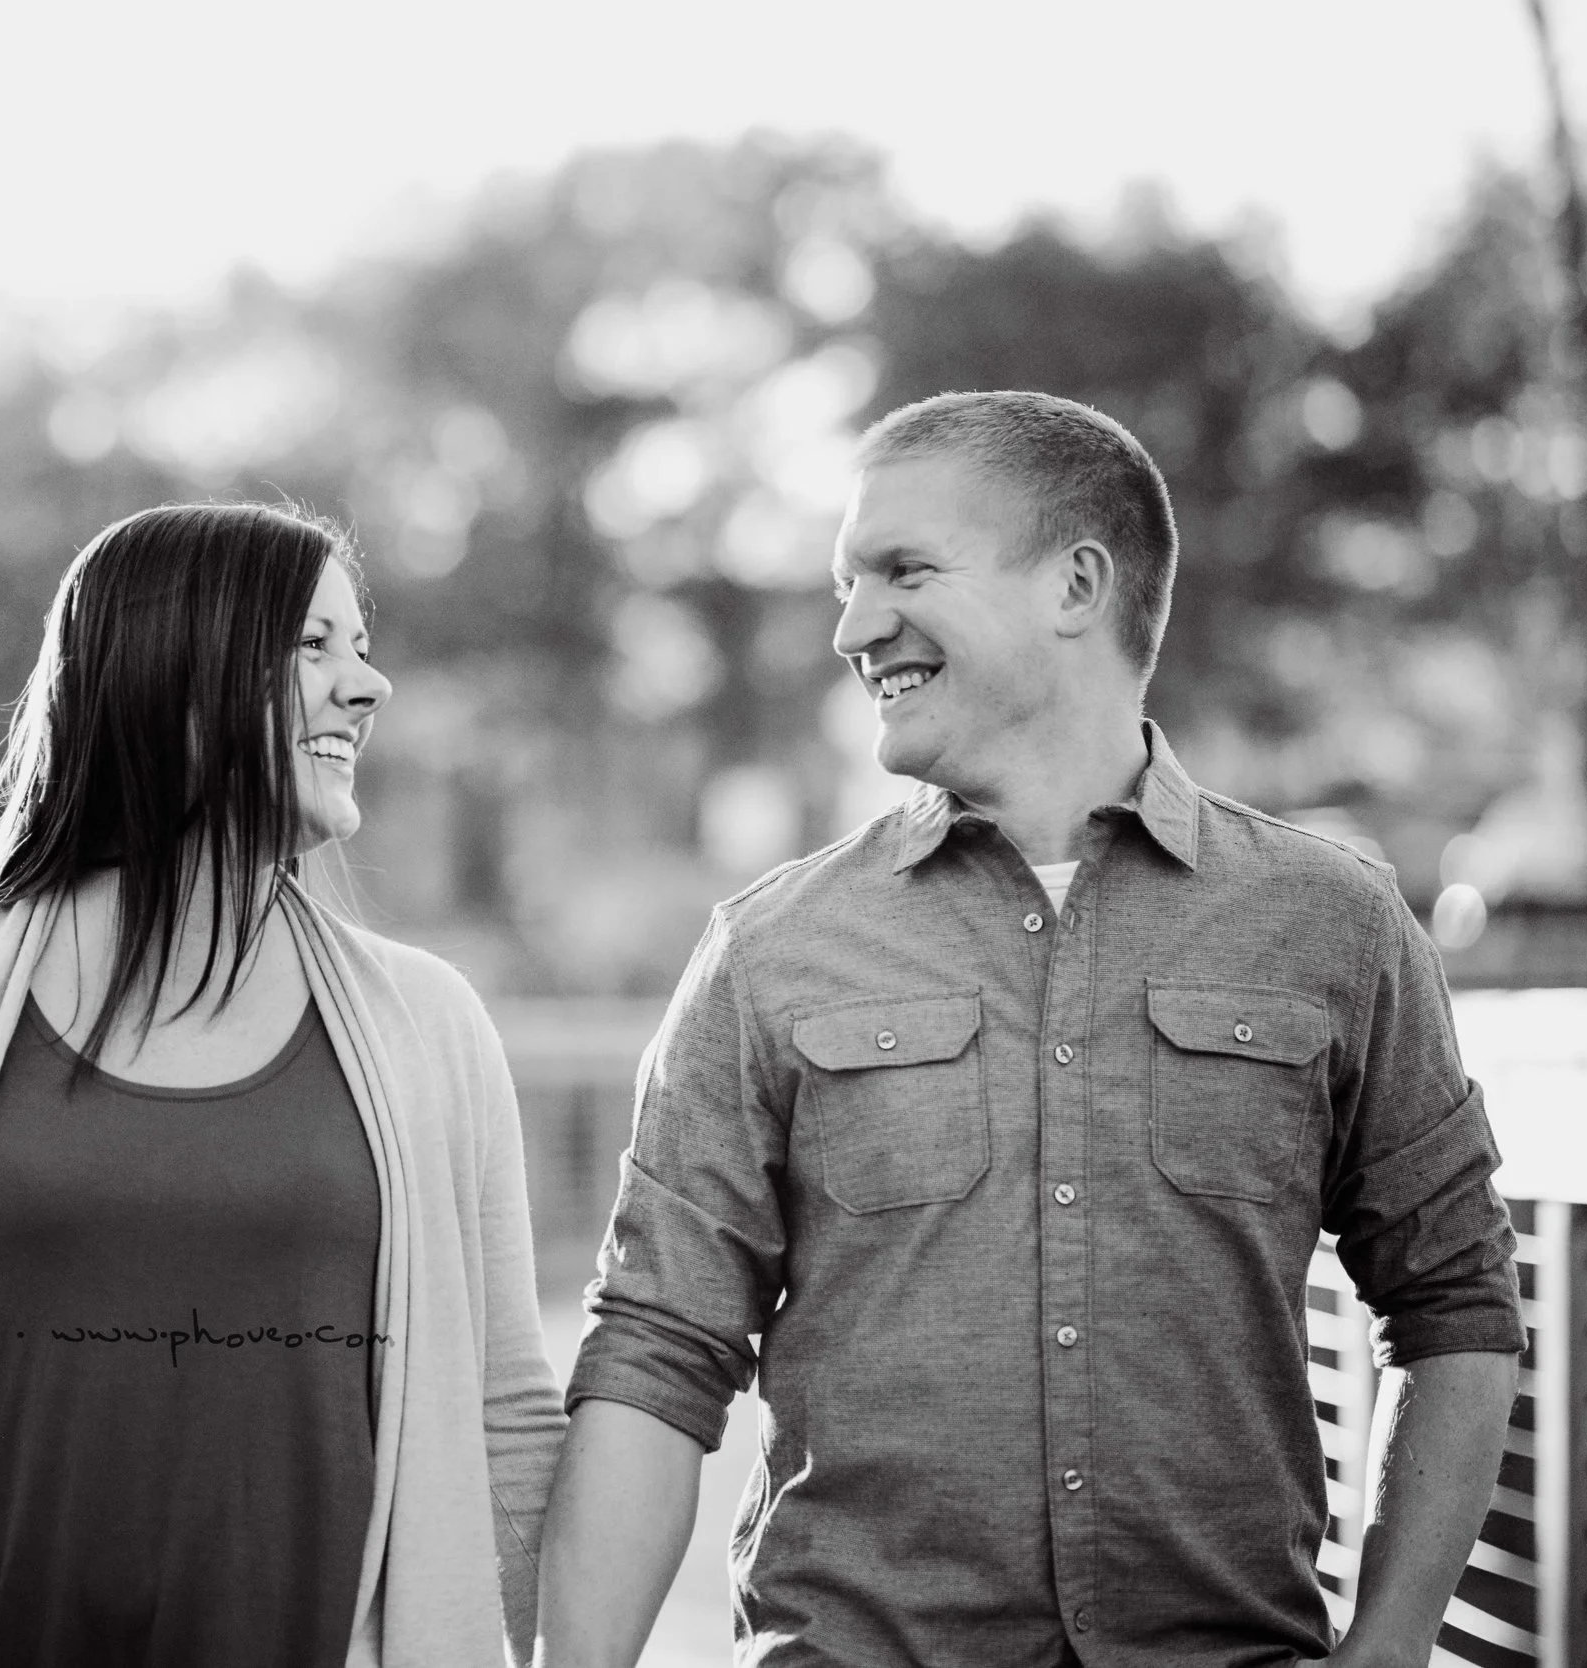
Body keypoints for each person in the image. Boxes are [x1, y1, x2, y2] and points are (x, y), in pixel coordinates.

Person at [535, 392, 1524, 1668]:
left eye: (903, 571)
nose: (852, 627)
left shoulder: (1334, 925)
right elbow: (656, 1351)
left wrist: (1388, 1648)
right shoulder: (767, 950)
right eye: (846, 583)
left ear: (1075, 585)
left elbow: (1452, 1299)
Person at [0, 502, 565, 1668]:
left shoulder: (431, 1026)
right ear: (177, 671)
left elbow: (505, 1416)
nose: (369, 687)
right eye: (313, 646)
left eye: (360, 648)